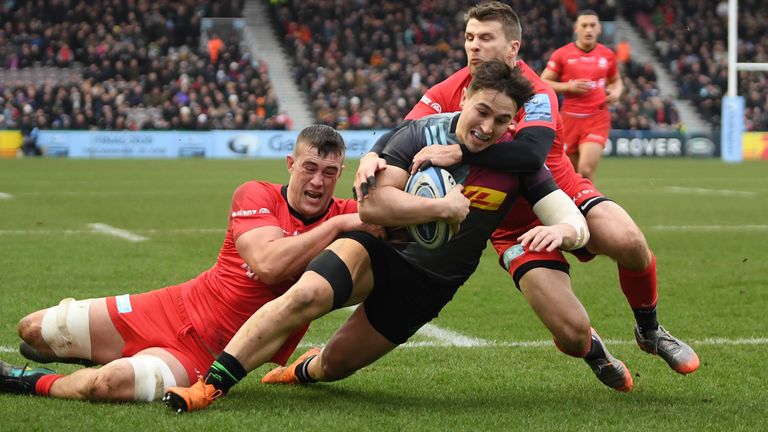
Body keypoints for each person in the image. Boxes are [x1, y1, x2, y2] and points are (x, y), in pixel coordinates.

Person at [163, 59, 591, 412]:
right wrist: (439, 207)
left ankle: (302, 369)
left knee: (336, 366)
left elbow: (570, 219)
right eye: (482, 111)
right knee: (305, 296)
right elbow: (373, 206)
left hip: (431, 284)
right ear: (465, 98)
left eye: (502, 119)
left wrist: (563, 232)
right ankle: (210, 386)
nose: (487, 126)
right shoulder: (421, 133)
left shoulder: (518, 162)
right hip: (380, 250)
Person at [353, 1, 698, 391]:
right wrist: (372, 154)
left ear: (513, 48)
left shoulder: (536, 92)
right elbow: (404, 129)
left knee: (629, 241)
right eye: (469, 38)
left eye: (486, 38)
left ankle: (649, 330)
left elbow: (531, 155)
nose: (474, 46)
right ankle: (593, 350)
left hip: (561, 193)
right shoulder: (452, 89)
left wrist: (462, 151)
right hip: (511, 226)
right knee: (571, 334)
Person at [0, 125, 378, 402]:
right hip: (171, 306)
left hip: (203, 355)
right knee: (31, 328)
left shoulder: (349, 216)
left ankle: (28, 381)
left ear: (340, 174)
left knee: (106, 385)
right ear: (290, 163)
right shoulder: (257, 194)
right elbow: (267, 264)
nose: (318, 181)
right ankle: (97, 349)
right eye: (309, 167)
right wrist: (339, 224)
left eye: (329, 172)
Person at [540, 9, 623, 181]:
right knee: (572, 174)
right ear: (576, 29)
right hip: (569, 119)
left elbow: (616, 80)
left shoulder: (607, 55)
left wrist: (616, 91)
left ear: (599, 29)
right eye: (584, 26)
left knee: (585, 170)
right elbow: (544, 82)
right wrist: (568, 87)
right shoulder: (562, 54)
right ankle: (577, 205)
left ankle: (587, 206)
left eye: (592, 26)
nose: (589, 30)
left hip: (597, 118)